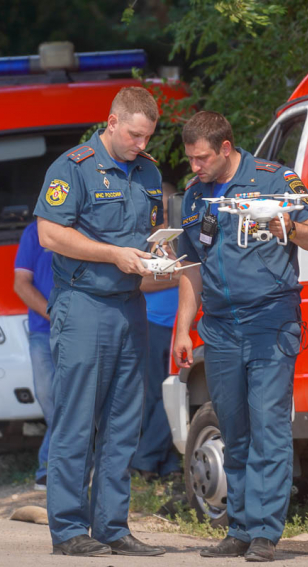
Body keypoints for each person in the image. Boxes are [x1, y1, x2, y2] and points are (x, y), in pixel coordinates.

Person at [173, 111, 308, 562]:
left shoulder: (275, 179)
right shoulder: (196, 197)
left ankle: (265, 532)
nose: (195, 167)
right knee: (234, 428)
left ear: (225, 148)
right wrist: (183, 327)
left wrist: (289, 228)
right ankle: (239, 528)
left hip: (270, 320)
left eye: (201, 158)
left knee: (268, 426)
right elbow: (192, 266)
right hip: (219, 325)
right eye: (190, 160)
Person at [34, 86, 166, 558]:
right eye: (133, 135)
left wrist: (160, 257)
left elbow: (152, 233)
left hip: (131, 306)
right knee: (76, 420)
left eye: (147, 137)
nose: (140, 145)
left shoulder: (148, 171)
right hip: (84, 304)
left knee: (122, 422)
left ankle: (112, 527)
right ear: (112, 122)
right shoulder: (74, 167)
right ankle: (69, 529)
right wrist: (113, 254)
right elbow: (50, 234)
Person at [131, 182, 183, 480]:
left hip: (182, 326)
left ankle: (153, 462)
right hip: (152, 324)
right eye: (157, 211)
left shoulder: (181, 238)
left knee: (175, 391)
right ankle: (160, 464)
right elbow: (140, 282)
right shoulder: (143, 241)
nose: (162, 216)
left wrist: (176, 273)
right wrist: (178, 277)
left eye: (166, 210)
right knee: (153, 397)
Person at [13, 220, 54, 492]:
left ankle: (49, 469)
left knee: (71, 401)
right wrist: (54, 315)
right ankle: (65, 467)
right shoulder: (33, 232)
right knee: (50, 399)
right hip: (43, 330)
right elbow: (21, 284)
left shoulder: (88, 227)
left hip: (80, 331)